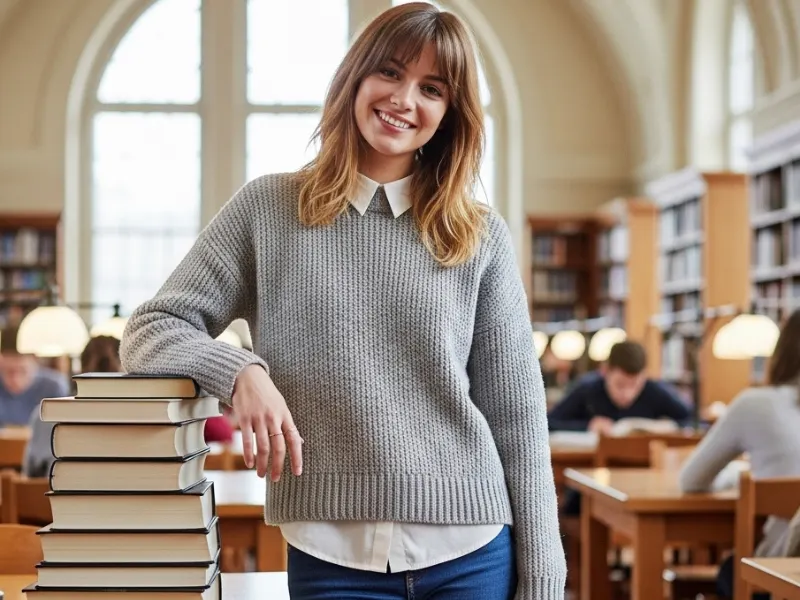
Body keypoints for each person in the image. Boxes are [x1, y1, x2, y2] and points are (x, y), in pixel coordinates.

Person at [119, 3, 566, 598]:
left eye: (431, 88)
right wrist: (241, 372)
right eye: (389, 73)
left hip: (473, 549)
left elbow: (518, 421)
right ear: (354, 79)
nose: (404, 99)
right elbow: (149, 330)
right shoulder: (269, 210)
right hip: (328, 553)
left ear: (449, 113)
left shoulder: (479, 234)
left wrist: (542, 578)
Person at [679, 310, 800, 600]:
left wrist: (737, 476)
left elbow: (691, 480)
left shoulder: (755, 404)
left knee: (730, 570)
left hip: (781, 576)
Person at [22, 335, 121, 477]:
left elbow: (29, 477)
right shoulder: (142, 416)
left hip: (50, 497)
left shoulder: (45, 414)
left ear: (80, 369)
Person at [547, 340, 691, 432]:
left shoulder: (655, 391)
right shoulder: (587, 389)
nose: (627, 394)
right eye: (620, 385)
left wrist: (666, 426)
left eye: (635, 385)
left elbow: (694, 422)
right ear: (605, 371)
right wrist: (587, 426)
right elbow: (548, 424)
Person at [0, 325, 69, 427]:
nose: (16, 380)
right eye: (9, 372)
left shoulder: (53, 387)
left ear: (35, 361)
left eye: (23, 371)